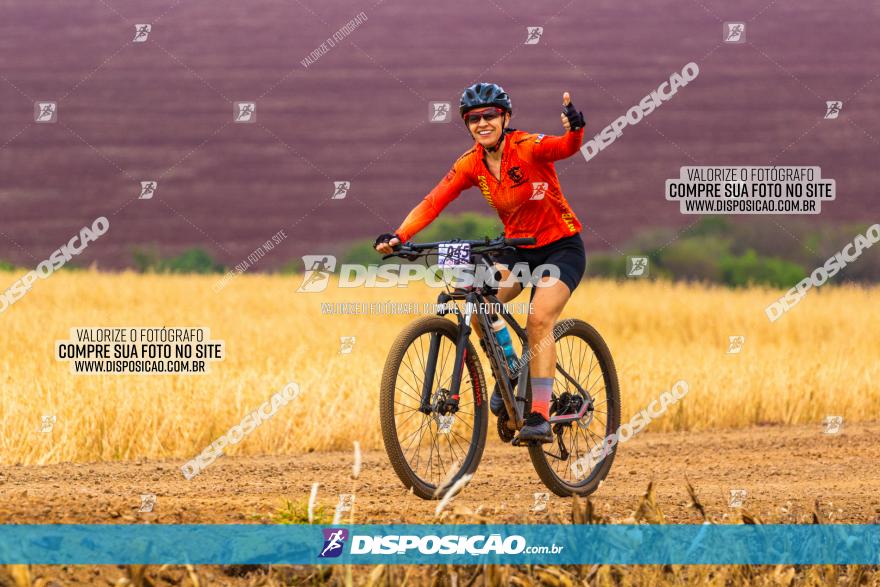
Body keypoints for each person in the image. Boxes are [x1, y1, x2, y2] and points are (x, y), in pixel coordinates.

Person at [374, 82, 586, 443]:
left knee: (538, 319)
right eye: (474, 118)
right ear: (467, 124)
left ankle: (539, 413)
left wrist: (575, 128)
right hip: (516, 250)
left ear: (505, 117)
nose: (482, 123)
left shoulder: (527, 146)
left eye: (490, 115)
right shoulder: (470, 163)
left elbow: (565, 147)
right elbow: (433, 201)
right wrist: (400, 236)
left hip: (560, 248)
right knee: (478, 305)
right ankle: (507, 378)